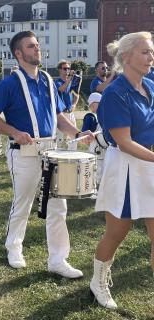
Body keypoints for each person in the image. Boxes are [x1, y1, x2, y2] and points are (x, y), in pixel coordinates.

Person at [0, 31, 93, 276]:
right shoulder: (9, 83)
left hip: (51, 151)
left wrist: (76, 134)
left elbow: (58, 116)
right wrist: (14, 131)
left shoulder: (47, 80)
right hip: (23, 153)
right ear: (18, 54)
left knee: (58, 206)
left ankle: (58, 260)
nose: (37, 49)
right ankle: (13, 248)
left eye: (37, 46)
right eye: (31, 46)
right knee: (22, 204)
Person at [90, 31, 154, 310]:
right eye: (145, 52)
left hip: (150, 164)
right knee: (116, 234)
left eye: (151, 52)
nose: (151, 57)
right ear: (126, 57)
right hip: (127, 170)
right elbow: (125, 142)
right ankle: (98, 281)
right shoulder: (115, 93)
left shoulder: (151, 85)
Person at [55, 60, 82, 150]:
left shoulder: (70, 82)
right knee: (60, 138)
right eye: (65, 68)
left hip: (70, 113)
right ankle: (56, 157)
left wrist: (74, 104)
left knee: (74, 136)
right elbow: (61, 89)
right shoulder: (57, 82)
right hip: (61, 114)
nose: (67, 70)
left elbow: (76, 94)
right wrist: (70, 78)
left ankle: (72, 156)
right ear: (60, 70)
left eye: (68, 69)